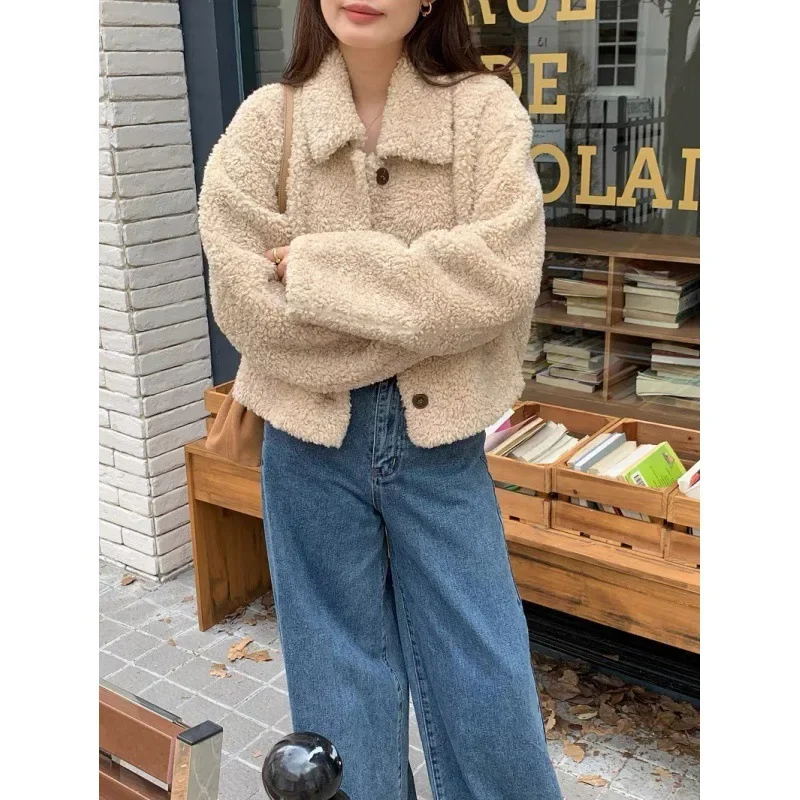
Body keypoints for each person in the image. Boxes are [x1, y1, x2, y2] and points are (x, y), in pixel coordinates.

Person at [198, 1, 560, 798]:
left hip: (440, 445)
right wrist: (424, 317)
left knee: (488, 677)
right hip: (307, 445)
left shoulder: (484, 112)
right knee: (336, 680)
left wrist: (316, 270)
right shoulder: (267, 121)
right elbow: (245, 303)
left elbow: (500, 279)